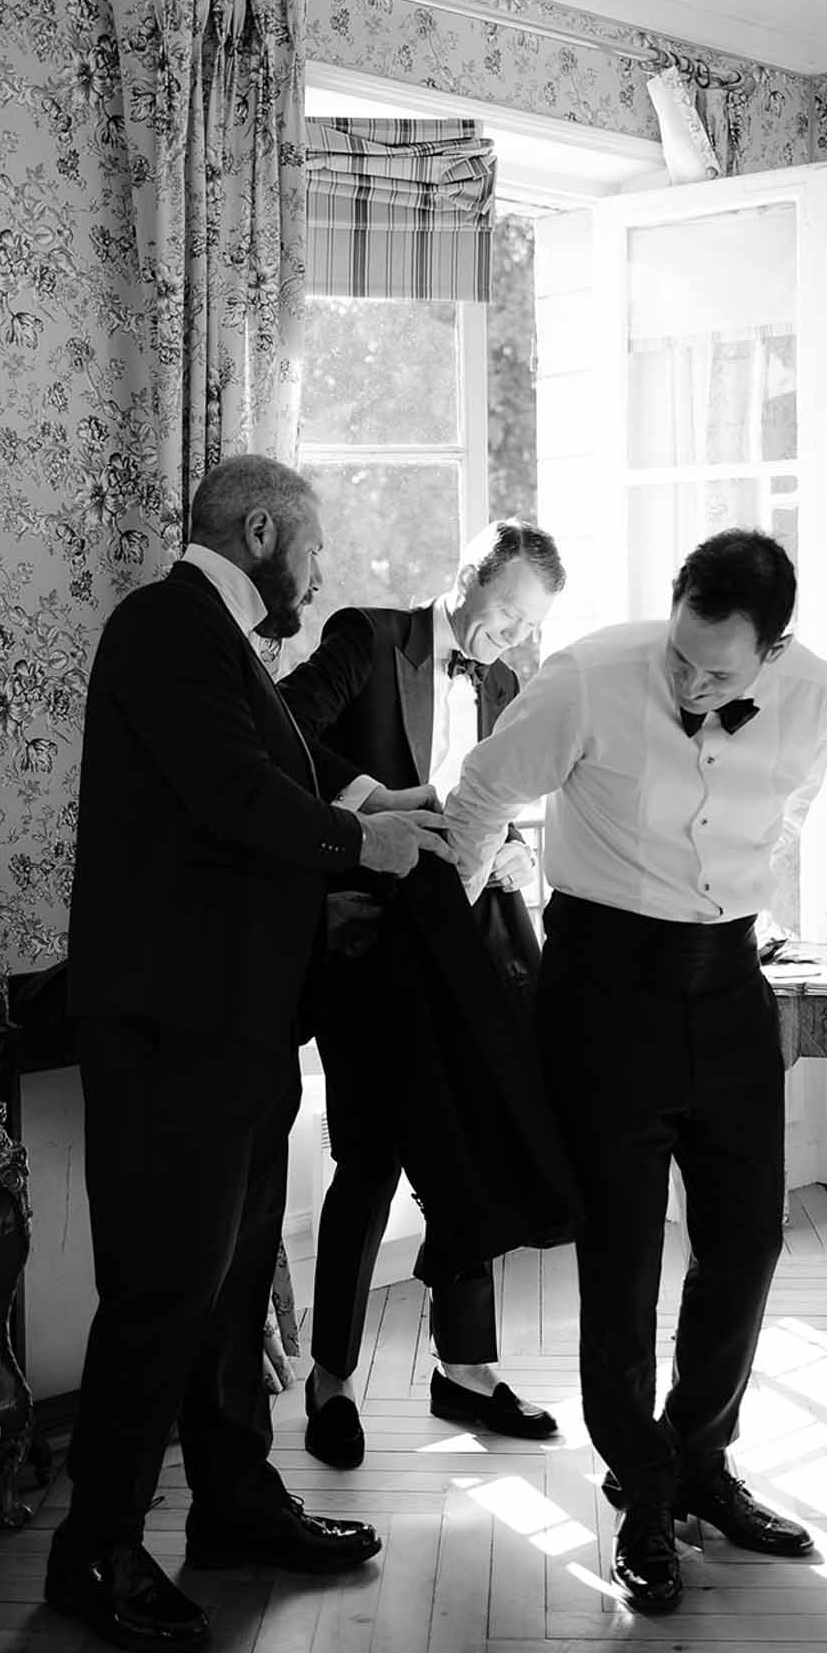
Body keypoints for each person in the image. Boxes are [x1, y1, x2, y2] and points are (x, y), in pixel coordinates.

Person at [47, 456, 450, 1653]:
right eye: (315, 547)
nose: (320, 575)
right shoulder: (163, 624)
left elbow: (262, 794)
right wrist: (356, 843)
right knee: (161, 1292)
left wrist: (388, 820)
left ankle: (232, 1505)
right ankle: (95, 1551)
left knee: (227, 1294)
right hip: (171, 1031)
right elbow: (232, 795)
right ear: (262, 528)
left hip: (233, 1026)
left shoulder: (225, 649)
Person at [443, 530, 827, 1613]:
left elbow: (792, 808)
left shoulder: (813, 696)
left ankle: (701, 1463)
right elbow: (479, 794)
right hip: (602, 983)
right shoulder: (587, 677)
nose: (691, 680)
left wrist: (745, 910)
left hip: (726, 987)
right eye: (681, 655)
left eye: (719, 670)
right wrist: (446, 956)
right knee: (618, 1257)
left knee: (746, 1237)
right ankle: (640, 1488)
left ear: (776, 647)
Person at [281, 520, 567, 1468]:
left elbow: (491, 804)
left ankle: (468, 1370)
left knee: (474, 1144)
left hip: (466, 950)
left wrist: (511, 849)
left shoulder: (508, 689)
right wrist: (379, 801)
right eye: (509, 613)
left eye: (531, 625)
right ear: (466, 580)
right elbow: (277, 731)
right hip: (366, 950)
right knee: (368, 1159)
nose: (515, 638)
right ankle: (331, 1382)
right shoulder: (367, 635)